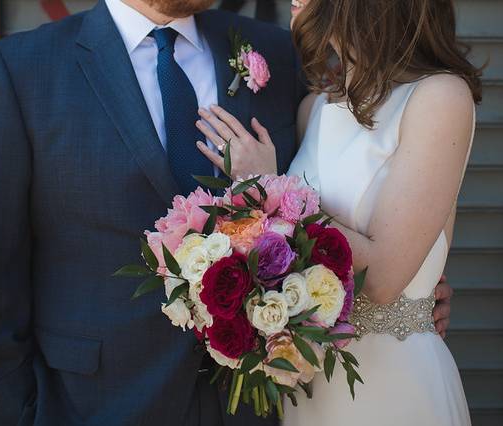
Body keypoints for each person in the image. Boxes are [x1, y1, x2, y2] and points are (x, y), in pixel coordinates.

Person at [0, 1, 454, 425]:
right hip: (93, 405)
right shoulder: (25, 72)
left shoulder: (277, 54)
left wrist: (414, 290)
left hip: (260, 407)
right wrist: (23, 413)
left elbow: (348, 184)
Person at [195, 0, 479, 424]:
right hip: (308, 387)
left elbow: (381, 279)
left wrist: (270, 186)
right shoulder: (316, 108)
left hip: (391, 385)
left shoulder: (439, 97)